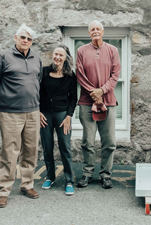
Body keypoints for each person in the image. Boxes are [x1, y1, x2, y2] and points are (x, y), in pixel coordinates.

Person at [0, 23, 42, 208]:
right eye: (23, 37)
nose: (26, 41)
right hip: (10, 112)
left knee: (30, 150)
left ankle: (27, 185)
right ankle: (3, 191)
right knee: (9, 153)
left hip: (33, 111)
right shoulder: (4, 56)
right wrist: (8, 97)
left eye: (29, 38)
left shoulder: (36, 57)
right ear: (15, 38)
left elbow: (38, 81)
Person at [76, 20, 121, 189]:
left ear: (103, 31)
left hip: (108, 102)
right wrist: (94, 94)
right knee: (88, 141)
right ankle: (87, 173)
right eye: (92, 29)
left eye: (98, 29)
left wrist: (102, 91)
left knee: (109, 142)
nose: (95, 31)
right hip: (87, 103)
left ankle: (105, 174)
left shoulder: (112, 50)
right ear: (89, 33)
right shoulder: (81, 51)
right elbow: (80, 76)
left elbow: (115, 75)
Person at [39, 44, 77, 196]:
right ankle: (50, 176)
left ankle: (69, 180)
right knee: (47, 147)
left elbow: (73, 98)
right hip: (45, 115)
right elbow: (36, 92)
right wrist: (38, 111)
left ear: (66, 58)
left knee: (65, 147)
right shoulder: (43, 72)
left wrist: (69, 116)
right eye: (55, 54)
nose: (57, 57)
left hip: (62, 115)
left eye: (61, 55)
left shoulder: (70, 76)